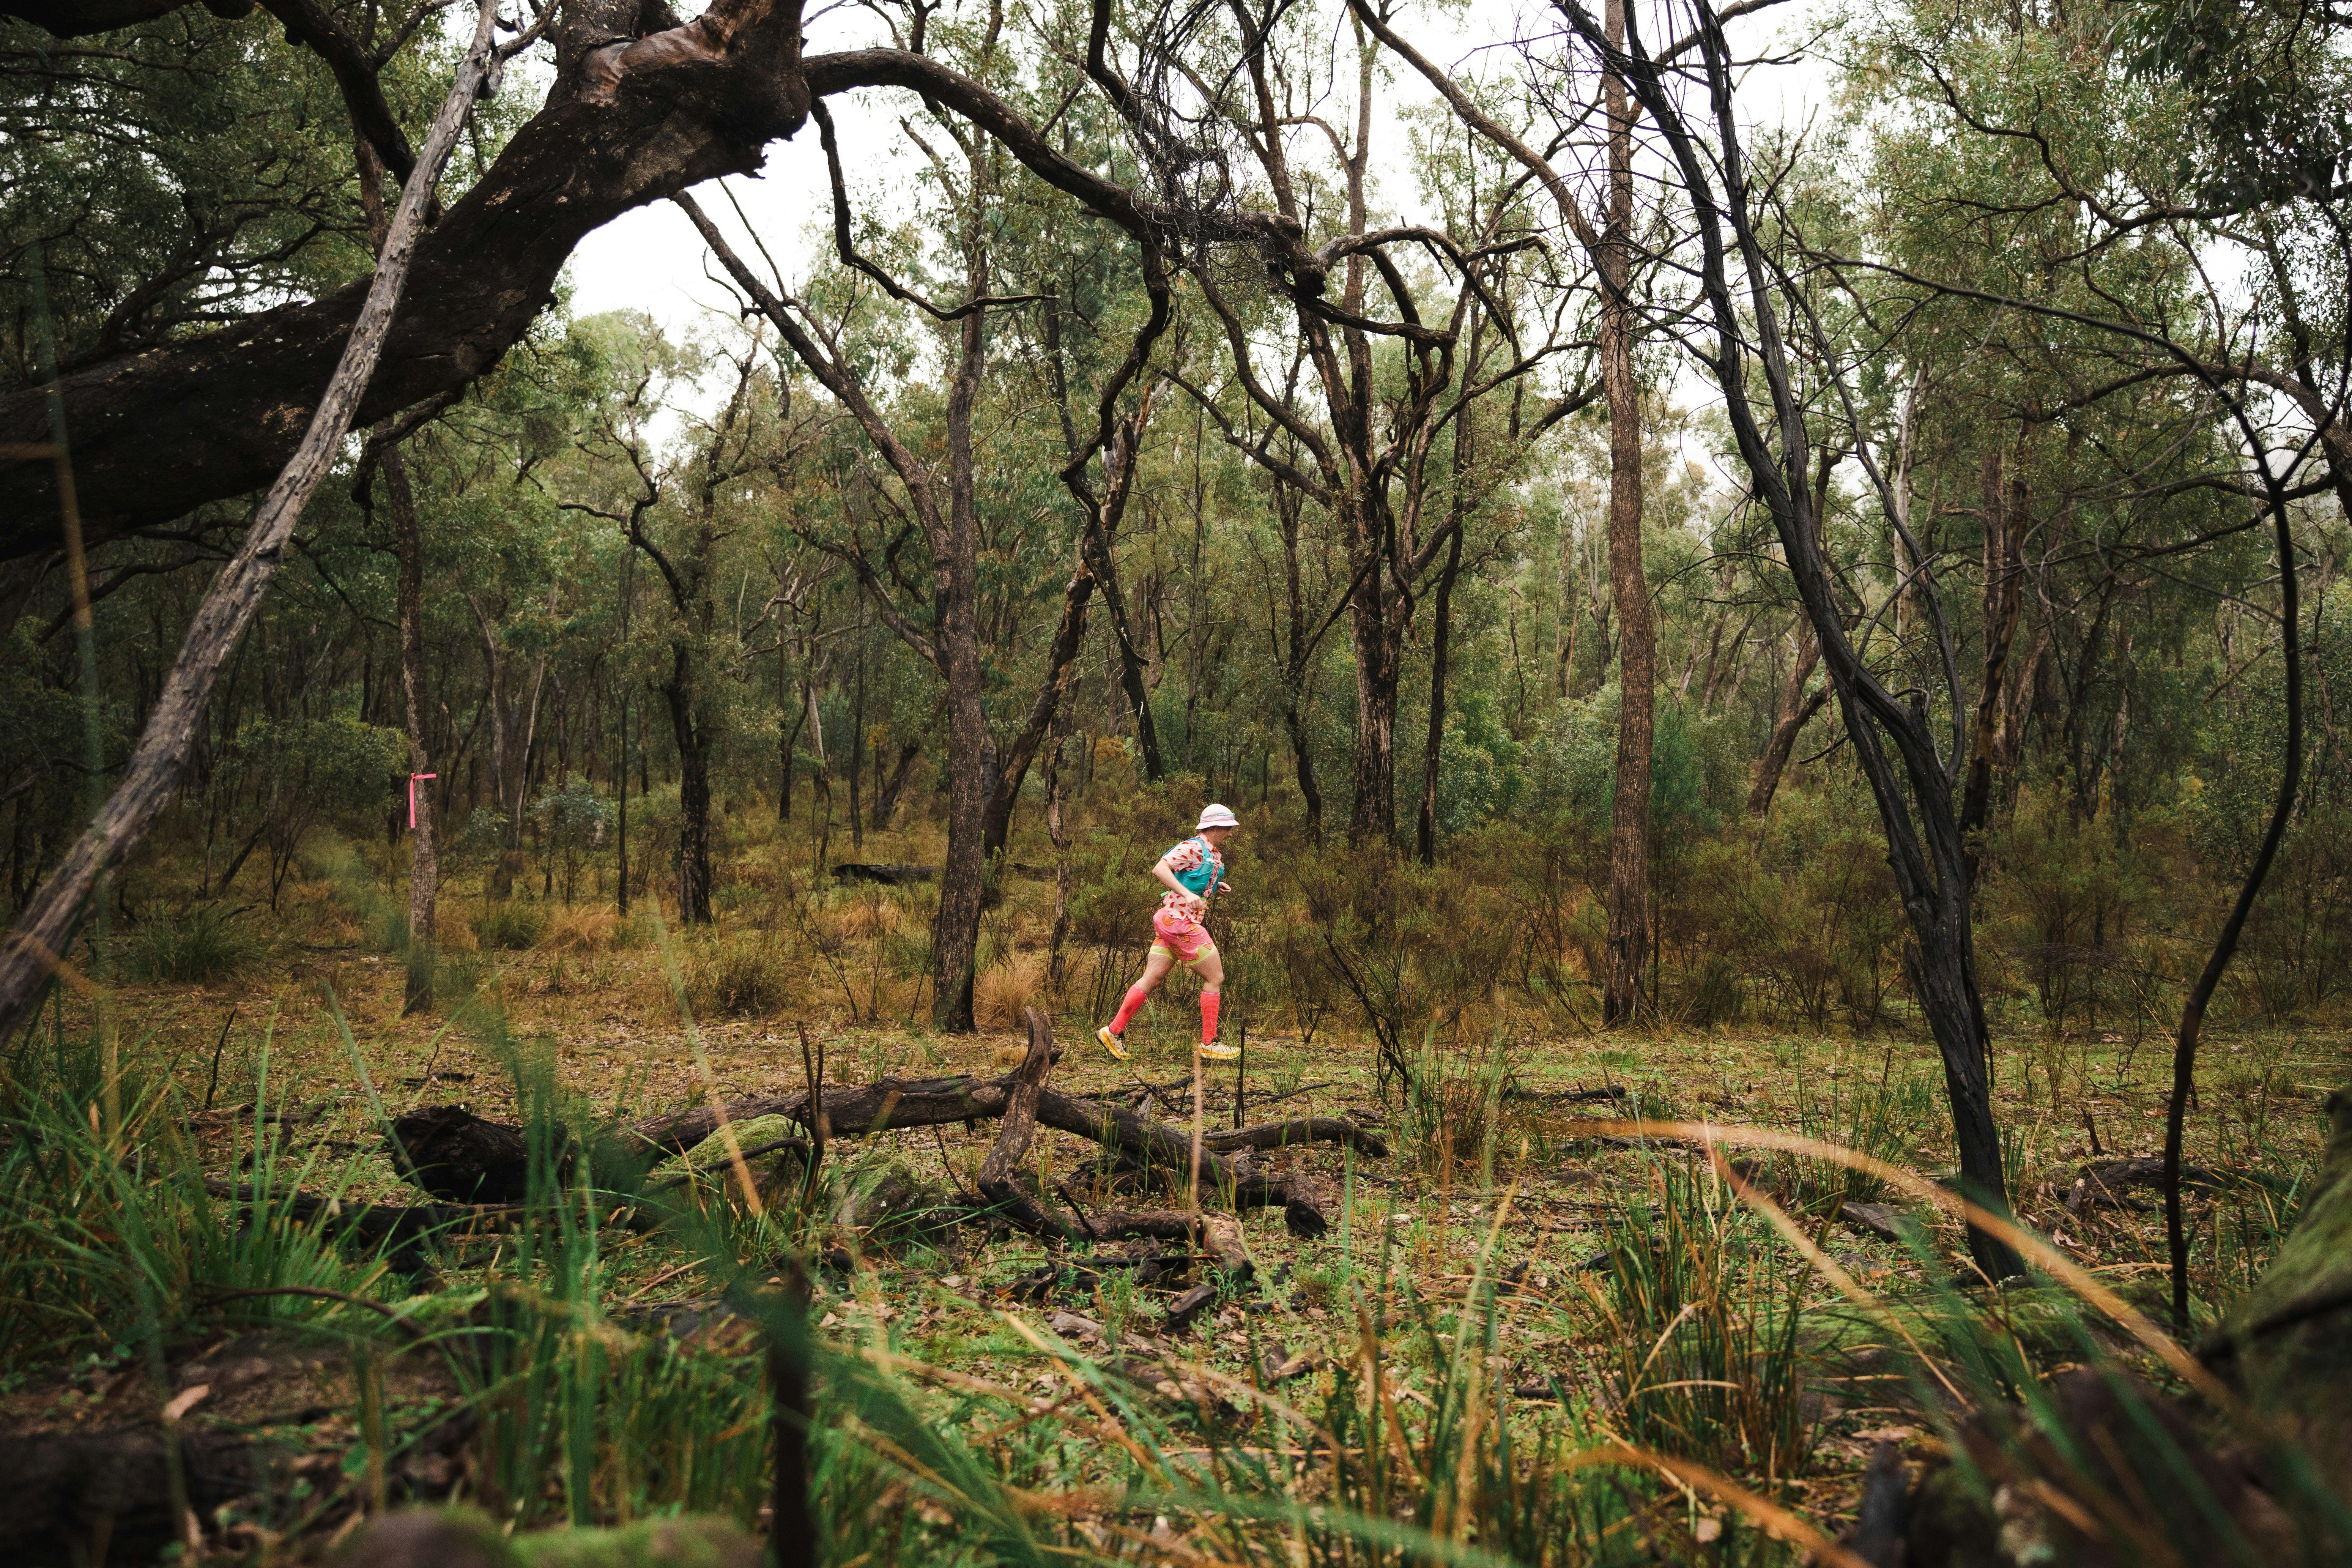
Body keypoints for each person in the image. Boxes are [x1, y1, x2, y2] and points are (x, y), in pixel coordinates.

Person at [1096, 804, 1240, 1062]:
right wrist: (1186, 894)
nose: (1230, 833)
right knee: (1215, 977)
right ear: (1215, 827)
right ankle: (1210, 1043)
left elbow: (1194, 877)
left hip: (1169, 921)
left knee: (1152, 977)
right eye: (1228, 828)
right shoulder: (1194, 847)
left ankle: (1112, 1031)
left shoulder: (1210, 852)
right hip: (1180, 923)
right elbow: (1160, 869)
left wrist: (1216, 885)